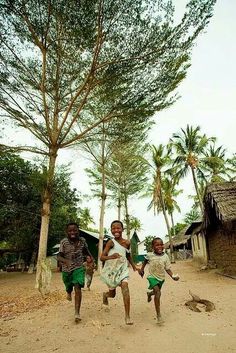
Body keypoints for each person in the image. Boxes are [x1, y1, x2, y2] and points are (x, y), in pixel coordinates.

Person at [100, 220, 137, 325]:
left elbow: (128, 255)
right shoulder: (110, 242)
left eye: (118, 228)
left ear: (122, 229)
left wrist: (134, 267)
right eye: (113, 228)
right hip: (111, 271)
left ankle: (127, 316)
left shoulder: (127, 243)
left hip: (123, 270)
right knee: (112, 294)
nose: (116, 230)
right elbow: (102, 257)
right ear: (111, 230)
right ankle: (105, 296)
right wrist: (112, 256)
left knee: (125, 287)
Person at [57, 222, 94, 323]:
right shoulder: (64, 242)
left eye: (74, 230)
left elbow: (86, 251)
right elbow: (59, 256)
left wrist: (90, 258)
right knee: (68, 286)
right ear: (67, 232)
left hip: (78, 267)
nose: (72, 232)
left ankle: (77, 313)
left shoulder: (82, 241)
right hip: (66, 269)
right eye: (70, 231)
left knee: (77, 287)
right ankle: (68, 292)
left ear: (78, 231)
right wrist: (66, 261)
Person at [138, 237, 179, 324]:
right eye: (157, 245)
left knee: (156, 292)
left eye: (161, 244)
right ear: (153, 247)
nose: (160, 246)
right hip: (152, 277)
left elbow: (167, 269)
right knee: (158, 292)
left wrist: (173, 276)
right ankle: (159, 315)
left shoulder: (165, 257)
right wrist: (142, 269)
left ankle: (149, 293)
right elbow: (145, 260)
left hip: (161, 278)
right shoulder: (150, 255)